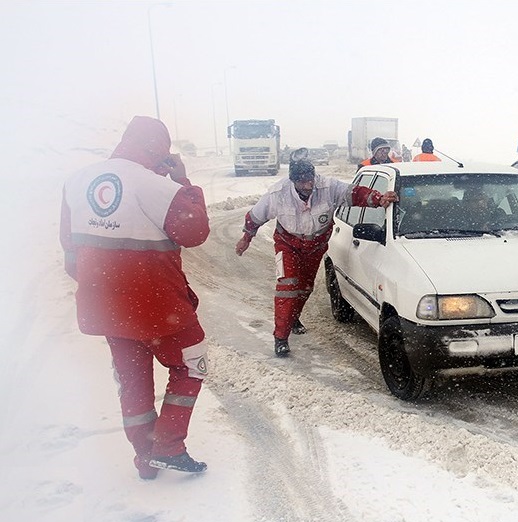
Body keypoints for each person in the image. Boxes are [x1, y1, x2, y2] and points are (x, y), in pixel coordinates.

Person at [60, 116, 211, 480]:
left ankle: (145, 456)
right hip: (160, 306)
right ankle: (169, 446)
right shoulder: (158, 187)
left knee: (132, 379)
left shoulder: (76, 182)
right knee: (192, 362)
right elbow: (195, 231)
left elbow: (69, 254)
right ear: (158, 149)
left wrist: (107, 286)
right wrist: (182, 180)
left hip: (106, 307)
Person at [235, 148, 399, 357]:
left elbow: (355, 193)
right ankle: (281, 337)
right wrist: (246, 239)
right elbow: (254, 217)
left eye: (310, 179)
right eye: (302, 181)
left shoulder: (328, 187)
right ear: (293, 181)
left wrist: (378, 198)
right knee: (287, 286)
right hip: (288, 245)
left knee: (304, 288)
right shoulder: (277, 195)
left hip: (315, 247)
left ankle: (293, 317)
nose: (308, 185)